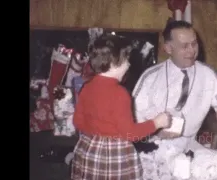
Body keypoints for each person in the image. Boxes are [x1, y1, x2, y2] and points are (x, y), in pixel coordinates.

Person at [132, 20, 217, 179]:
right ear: (168, 48)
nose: (191, 51)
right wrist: (156, 131)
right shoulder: (150, 77)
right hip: (150, 149)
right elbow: (131, 122)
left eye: (194, 44)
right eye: (184, 46)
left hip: (185, 150)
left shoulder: (207, 75)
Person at [71, 35, 172, 180]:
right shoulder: (120, 94)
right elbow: (130, 134)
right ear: (113, 63)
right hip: (114, 156)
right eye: (126, 60)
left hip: (89, 151)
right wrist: (156, 123)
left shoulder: (86, 87)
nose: (129, 65)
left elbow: (77, 122)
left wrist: (98, 130)